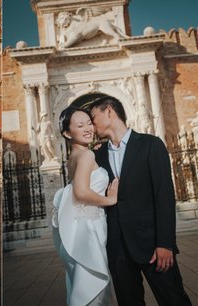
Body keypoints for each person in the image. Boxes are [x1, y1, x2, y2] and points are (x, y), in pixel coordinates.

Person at [90, 96, 192, 306]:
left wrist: (165, 243)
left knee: (174, 299)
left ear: (109, 111)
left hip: (153, 245)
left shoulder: (150, 145)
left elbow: (164, 197)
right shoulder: (97, 157)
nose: (92, 124)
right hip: (118, 249)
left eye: (93, 118)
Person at [52, 105, 119, 306]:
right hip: (89, 226)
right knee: (94, 286)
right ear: (66, 132)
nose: (88, 128)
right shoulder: (87, 155)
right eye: (80, 125)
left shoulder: (74, 155)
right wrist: (110, 200)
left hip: (80, 224)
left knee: (83, 283)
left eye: (89, 123)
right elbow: (81, 192)